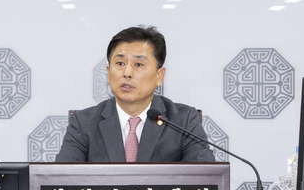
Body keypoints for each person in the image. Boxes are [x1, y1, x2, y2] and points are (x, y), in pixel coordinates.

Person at [55, 25, 215, 163]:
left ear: (159, 76)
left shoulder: (182, 121)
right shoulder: (83, 123)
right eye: (120, 63)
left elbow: (204, 176)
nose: (127, 73)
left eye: (138, 64)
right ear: (108, 73)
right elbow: (63, 179)